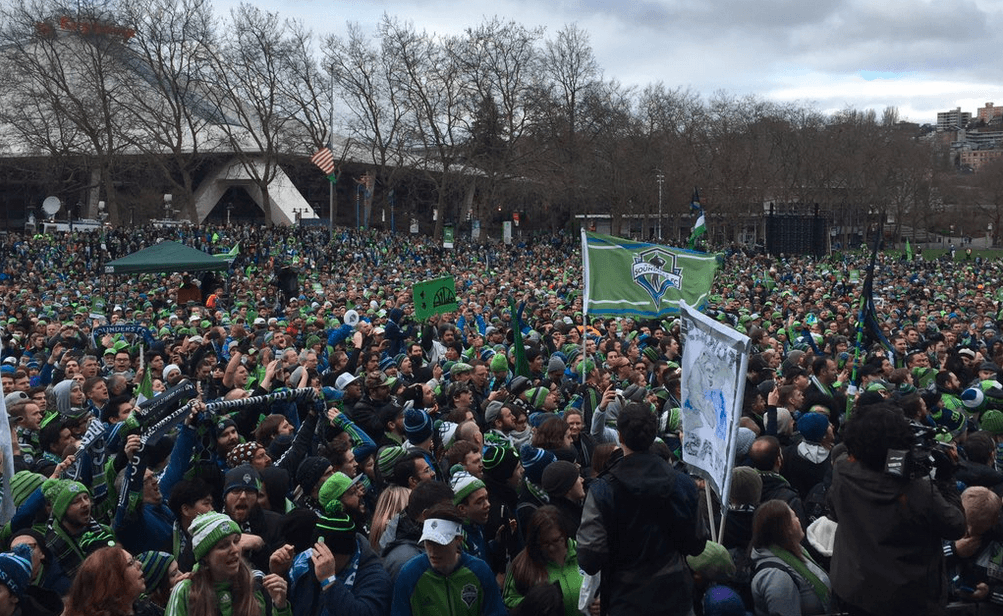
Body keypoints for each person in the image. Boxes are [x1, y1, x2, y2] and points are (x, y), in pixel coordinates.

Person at [828, 403, 966, 616]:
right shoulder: (916, 489)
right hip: (907, 598)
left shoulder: (841, 468)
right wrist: (946, 480)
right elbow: (956, 525)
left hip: (854, 586)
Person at [577, 401, 707, 616]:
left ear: (620, 436)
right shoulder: (683, 483)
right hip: (675, 594)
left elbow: (589, 557)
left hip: (626, 598)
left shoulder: (603, 490)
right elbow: (697, 542)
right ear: (654, 434)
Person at [165, 512, 290, 616]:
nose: (235, 549)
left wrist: (281, 607)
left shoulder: (256, 582)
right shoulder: (185, 591)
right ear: (205, 556)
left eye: (236, 541)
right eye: (223, 546)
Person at [390, 504, 506, 616]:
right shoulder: (409, 575)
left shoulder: (480, 571)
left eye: (441, 543)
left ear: (458, 539)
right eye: (429, 542)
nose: (433, 551)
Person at [503, 505, 590, 616]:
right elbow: (508, 602)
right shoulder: (522, 565)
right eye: (545, 543)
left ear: (564, 534)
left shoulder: (583, 554)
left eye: (556, 540)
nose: (551, 548)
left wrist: (598, 602)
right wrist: (537, 603)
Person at [750, 499, 831, 616]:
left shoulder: (796, 550)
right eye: (794, 517)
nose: (798, 519)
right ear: (786, 528)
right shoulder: (777, 577)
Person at [62, 546, 147, 616]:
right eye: (131, 563)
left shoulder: (140, 608)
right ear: (112, 580)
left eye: (134, 559)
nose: (139, 564)